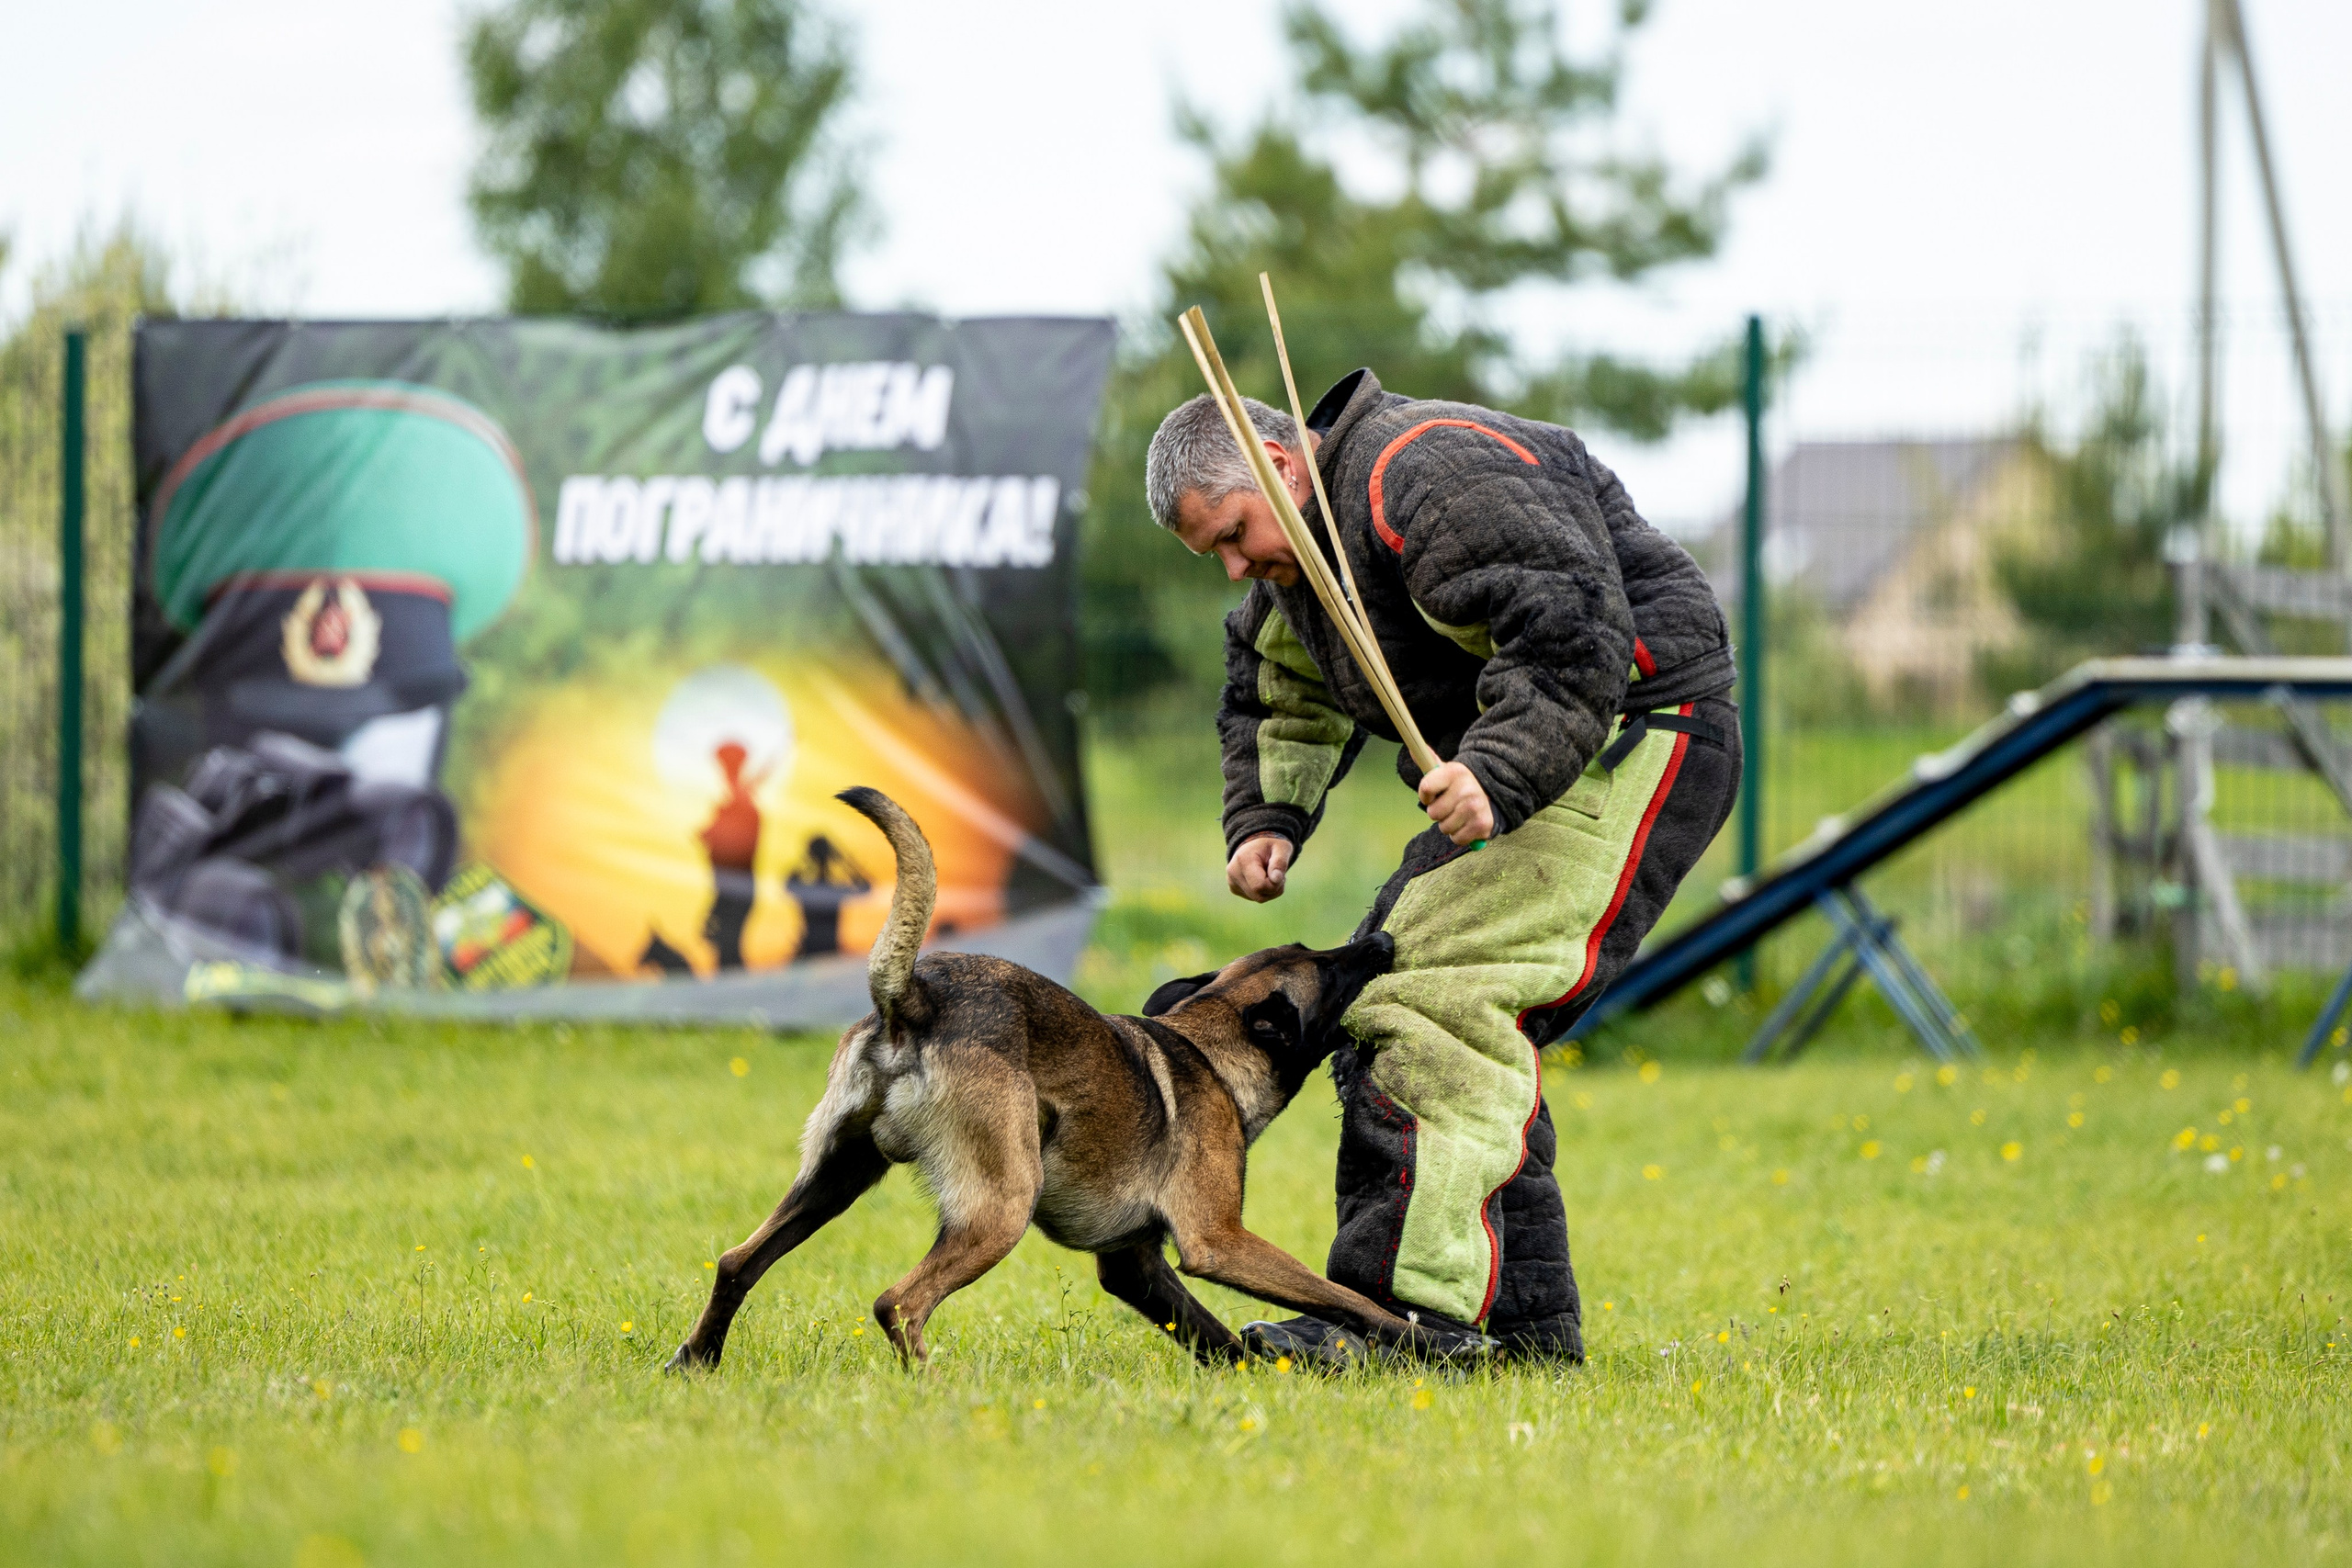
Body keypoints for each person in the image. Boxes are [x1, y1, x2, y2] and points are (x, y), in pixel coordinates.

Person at [1143, 369, 1743, 1364]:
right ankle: (1524, 1328)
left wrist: (1497, 772)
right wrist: (1269, 818)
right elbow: (1274, 687)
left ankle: (1406, 1323)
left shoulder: (1428, 471)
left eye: (1231, 535)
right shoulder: (1301, 560)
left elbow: (1567, 628)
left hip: (1631, 729)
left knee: (1429, 1005)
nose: (1234, 568)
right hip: (1543, 750)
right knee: (1417, 996)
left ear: (1280, 465)